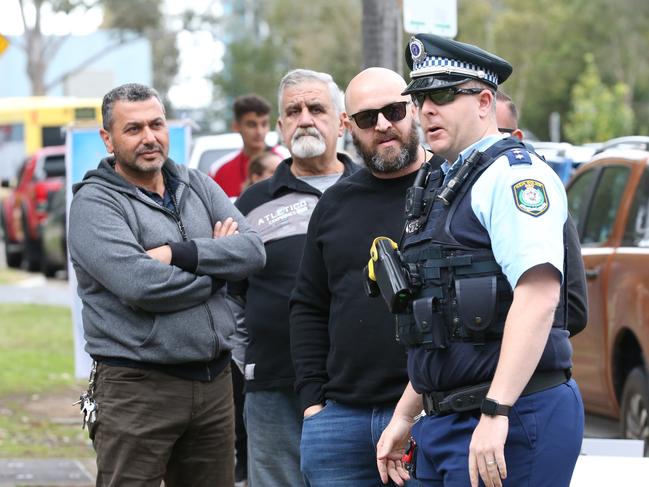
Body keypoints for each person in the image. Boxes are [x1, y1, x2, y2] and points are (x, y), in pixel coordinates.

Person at [375, 34, 585, 487]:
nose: (427, 109)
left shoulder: (514, 179)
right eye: (421, 98)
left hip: (511, 416)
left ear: (485, 100)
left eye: (444, 95)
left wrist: (497, 410)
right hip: (446, 420)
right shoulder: (438, 185)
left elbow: (539, 296)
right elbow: (443, 328)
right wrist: (406, 415)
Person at [68, 83, 266, 487]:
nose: (149, 138)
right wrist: (217, 269)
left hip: (214, 384)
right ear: (107, 138)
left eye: (156, 125)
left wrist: (182, 254)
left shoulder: (198, 185)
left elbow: (252, 252)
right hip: (137, 389)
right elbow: (141, 285)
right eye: (133, 128)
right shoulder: (94, 204)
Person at [288, 67, 440, 486]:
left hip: (435, 417)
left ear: (414, 108)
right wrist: (313, 405)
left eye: (393, 110)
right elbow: (308, 305)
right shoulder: (335, 204)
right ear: (347, 126)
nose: (384, 125)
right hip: (341, 424)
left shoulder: (452, 190)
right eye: (367, 118)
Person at [228, 68, 357, 487]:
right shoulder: (250, 204)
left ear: (341, 121)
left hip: (360, 391)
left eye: (317, 108)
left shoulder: (375, 189)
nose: (305, 118)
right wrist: (250, 362)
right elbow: (231, 299)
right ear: (281, 126)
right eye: (294, 110)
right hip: (272, 388)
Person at [209, 94, 288, 198]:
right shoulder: (219, 171)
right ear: (236, 126)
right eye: (252, 125)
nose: (259, 131)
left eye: (264, 124)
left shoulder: (286, 160)